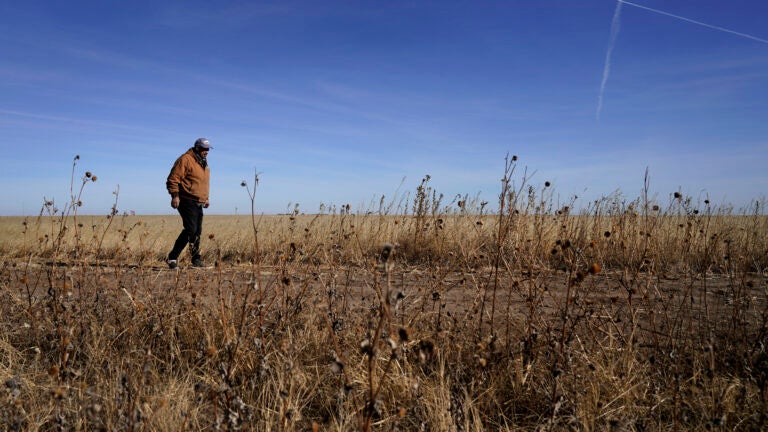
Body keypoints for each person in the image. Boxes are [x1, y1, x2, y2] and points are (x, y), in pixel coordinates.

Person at [165, 137, 212, 269]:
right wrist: (175, 196)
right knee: (191, 229)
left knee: (197, 231)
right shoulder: (185, 159)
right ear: (197, 147)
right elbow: (173, 179)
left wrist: (206, 197)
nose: (206, 151)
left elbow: (202, 182)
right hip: (186, 199)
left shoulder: (203, 162)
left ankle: (196, 260)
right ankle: (172, 258)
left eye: (208, 149)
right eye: (204, 149)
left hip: (199, 201)